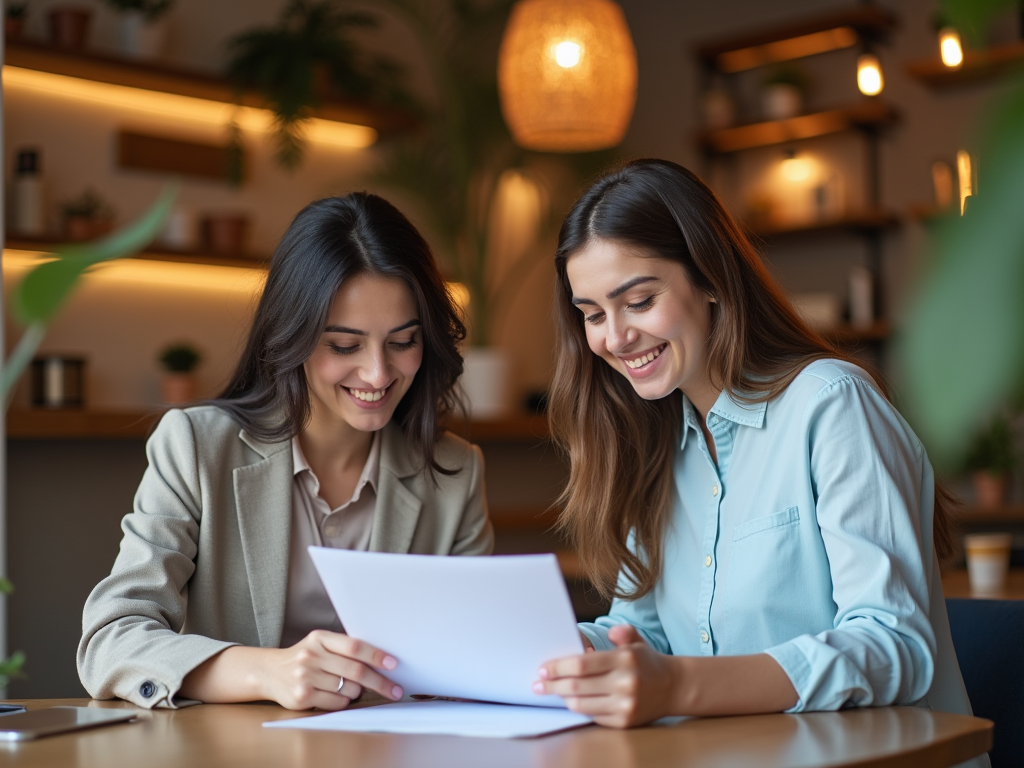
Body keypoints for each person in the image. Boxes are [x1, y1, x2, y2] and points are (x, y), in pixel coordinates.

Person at [533, 159, 978, 738]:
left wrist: (678, 686)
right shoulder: (650, 443)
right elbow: (645, 636)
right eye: (592, 314)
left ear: (711, 280)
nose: (615, 338)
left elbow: (893, 646)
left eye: (639, 302)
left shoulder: (832, 405)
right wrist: (535, 655)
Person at [78, 193, 493, 711]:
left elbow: (478, 658)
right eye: (344, 346)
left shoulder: (454, 471)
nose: (378, 374)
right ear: (291, 335)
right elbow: (110, 639)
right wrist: (264, 671)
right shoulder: (196, 446)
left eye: (402, 341)